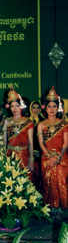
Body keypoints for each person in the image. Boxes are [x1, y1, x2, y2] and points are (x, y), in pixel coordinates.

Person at [37, 86, 68, 219]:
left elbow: (66, 143)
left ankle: (60, 208)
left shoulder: (64, 123)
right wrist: (49, 156)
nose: (52, 109)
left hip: (62, 157)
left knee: (61, 182)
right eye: (49, 106)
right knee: (48, 183)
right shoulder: (41, 125)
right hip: (46, 157)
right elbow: (40, 143)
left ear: (58, 107)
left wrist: (58, 156)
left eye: (54, 106)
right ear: (45, 107)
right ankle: (50, 207)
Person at [3, 86, 34, 177]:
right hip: (10, 155)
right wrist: (4, 156)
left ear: (21, 106)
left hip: (24, 155)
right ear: (9, 107)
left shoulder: (28, 122)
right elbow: (4, 141)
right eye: (12, 106)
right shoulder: (7, 121)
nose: (15, 108)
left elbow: (31, 142)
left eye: (17, 106)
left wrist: (31, 159)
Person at [29, 100, 45, 190]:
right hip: (29, 153)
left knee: (41, 178)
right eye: (33, 107)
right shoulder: (26, 121)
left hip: (41, 153)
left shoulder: (44, 121)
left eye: (38, 107)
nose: (36, 110)